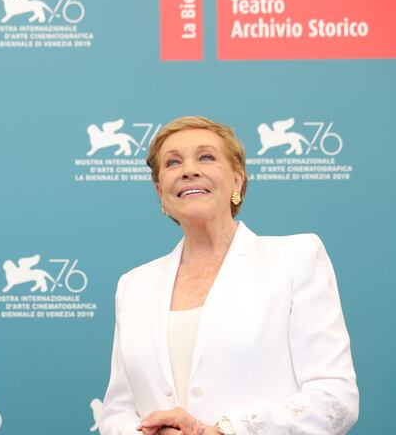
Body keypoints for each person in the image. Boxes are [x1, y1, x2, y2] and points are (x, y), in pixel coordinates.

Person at [98, 116, 358, 435]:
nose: (188, 170)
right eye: (172, 162)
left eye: (206, 157)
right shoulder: (134, 285)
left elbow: (334, 400)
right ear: (159, 191)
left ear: (237, 181)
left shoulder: (295, 258)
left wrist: (222, 431)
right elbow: (117, 410)